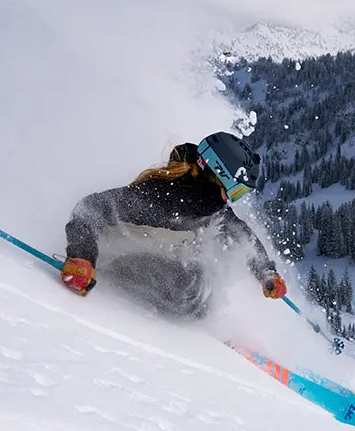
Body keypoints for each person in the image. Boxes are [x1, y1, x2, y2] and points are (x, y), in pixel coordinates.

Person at [59, 131, 286, 317]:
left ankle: (203, 316)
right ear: (215, 175)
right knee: (192, 285)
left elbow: (243, 237)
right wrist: (83, 256)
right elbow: (89, 208)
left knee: (202, 280)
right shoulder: (157, 197)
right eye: (235, 191)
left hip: (160, 271)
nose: (232, 199)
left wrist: (267, 273)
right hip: (113, 263)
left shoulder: (212, 207)